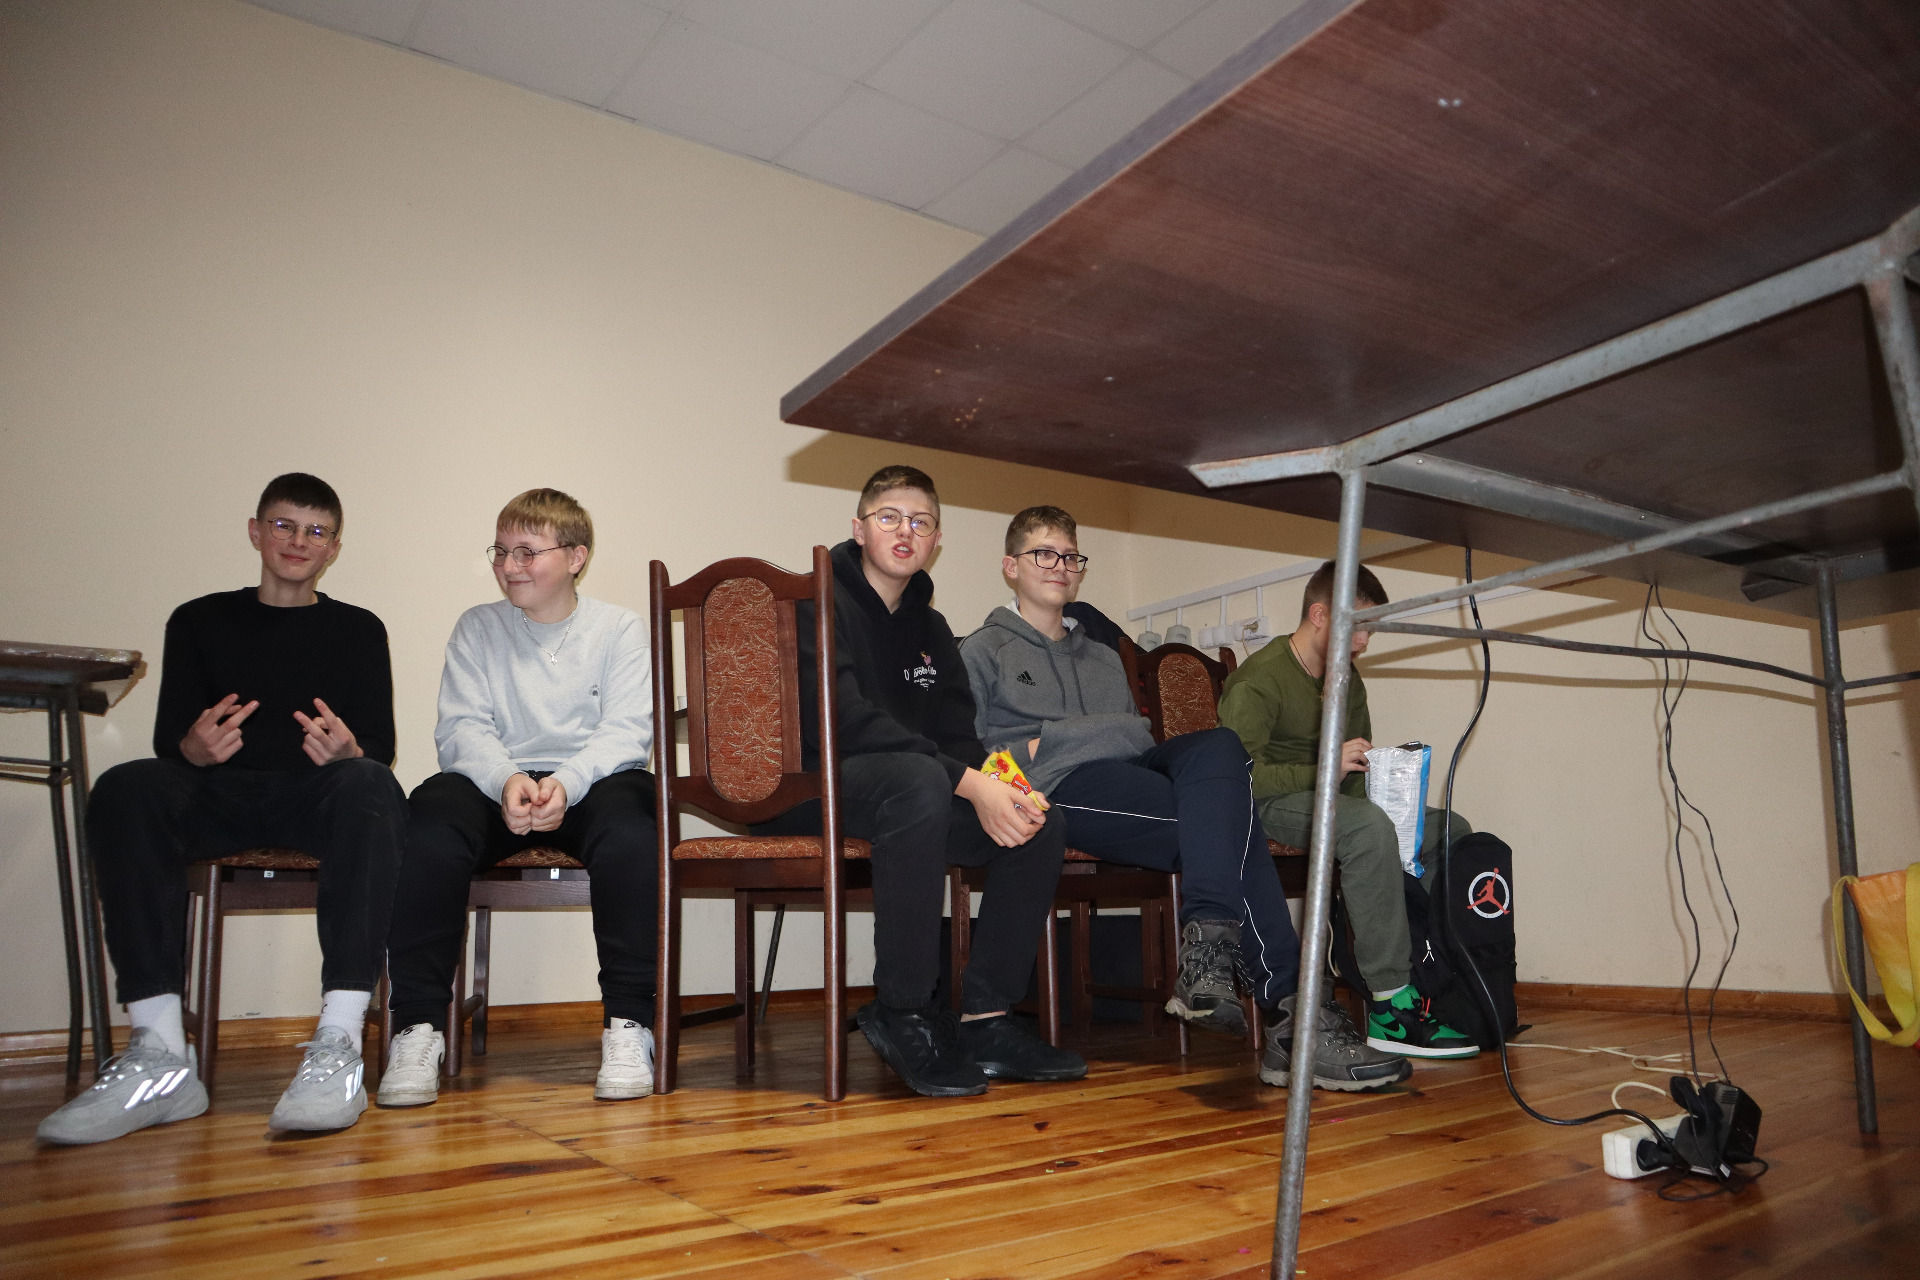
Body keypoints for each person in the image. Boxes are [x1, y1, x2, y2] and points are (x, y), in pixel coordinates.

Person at [961, 506, 1411, 1093]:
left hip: (1129, 772)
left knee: (1221, 748)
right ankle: (1295, 1015)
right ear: (1010, 566)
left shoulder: (1103, 656)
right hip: (1056, 786)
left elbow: (1137, 736)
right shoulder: (983, 649)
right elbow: (975, 752)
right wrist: (1051, 746)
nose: (1059, 565)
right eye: (1043, 553)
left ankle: (1213, 948)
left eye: (1070, 556)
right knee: (1232, 820)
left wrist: (1072, 734)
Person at [38, 473, 405, 1144]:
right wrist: (193, 747)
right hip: (218, 796)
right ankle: (160, 1054)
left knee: (373, 786)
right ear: (256, 531)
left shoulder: (358, 629)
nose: (298, 541)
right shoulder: (198, 620)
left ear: (334, 548)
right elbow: (169, 742)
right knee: (127, 787)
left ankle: (339, 1041)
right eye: (284, 525)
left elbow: (379, 747)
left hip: (315, 797)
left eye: (316, 531)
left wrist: (351, 750)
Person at [755, 465, 1085, 1097]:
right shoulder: (816, 601)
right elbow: (842, 721)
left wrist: (1002, 786)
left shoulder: (932, 629)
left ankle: (986, 1020)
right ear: (859, 529)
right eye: (889, 518)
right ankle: (902, 1009)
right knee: (921, 781)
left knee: (1038, 822)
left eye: (921, 522)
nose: (905, 531)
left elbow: (958, 737)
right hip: (810, 789)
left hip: (910, 793)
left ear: (936, 540)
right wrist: (966, 782)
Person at [379, 489, 658, 1108]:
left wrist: (568, 782)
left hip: (591, 782)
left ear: (576, 557)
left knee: (636, 822)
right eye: (501, 552)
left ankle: (630, 1022)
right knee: (429, 818)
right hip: (497, 783)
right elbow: (461, 728)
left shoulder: (618, 628)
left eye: (528, 552)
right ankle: (417, 1026)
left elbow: (626, 731)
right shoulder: (477, 627)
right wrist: (506, 779)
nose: (510, 566)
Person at [1217, 559, 1479, 1063]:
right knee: (1367, 829)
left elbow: (1354, 772)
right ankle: (1389, 1003)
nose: (1364, 642)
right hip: (1267, 805)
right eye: (1359, 628)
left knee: (1449, 829)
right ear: (1320, 615)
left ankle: (1437, 977)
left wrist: (1395, 793)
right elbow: (1238, 779)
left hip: (1334, 799)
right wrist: (1324, 769)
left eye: (1370, 630)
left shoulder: (1347, 680)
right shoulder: (1258, 681)